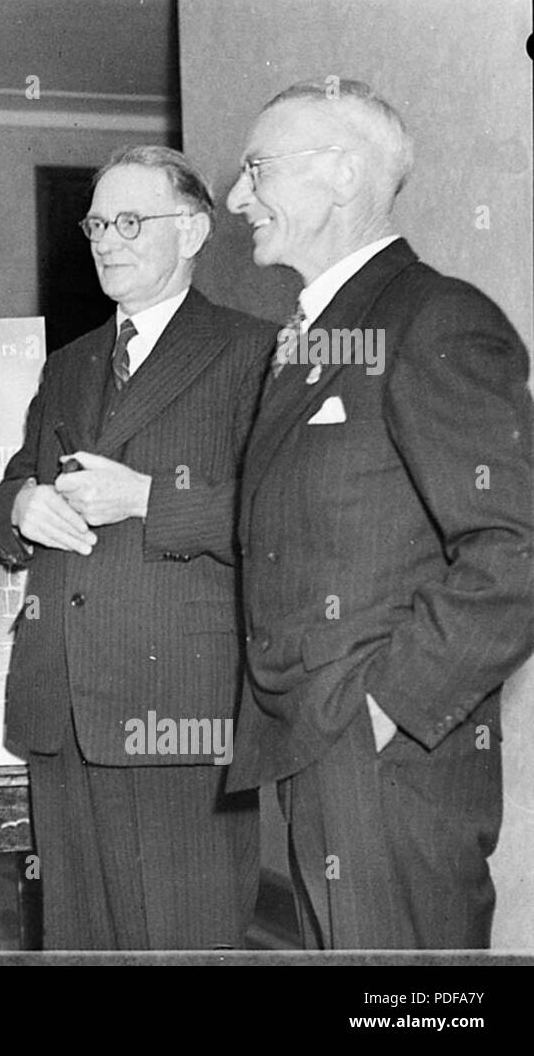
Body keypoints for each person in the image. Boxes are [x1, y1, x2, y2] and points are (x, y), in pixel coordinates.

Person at [225, 79, 534, 948]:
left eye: (257, 169)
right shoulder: (311, 337)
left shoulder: (435, 317)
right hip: (312, 752)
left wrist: (386, 709)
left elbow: (516, 547)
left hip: (386, 764)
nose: (235, 196)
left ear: (341, 176)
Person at [0, 145, 276, 949]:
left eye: (129, 221)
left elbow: (284, 523)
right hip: (63, 707)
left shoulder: (257, 352)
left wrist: (147, 499)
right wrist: (22, 504)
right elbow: (10, 488)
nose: (105, 239)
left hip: (180, 715)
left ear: (191, 231)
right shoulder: (70, 364)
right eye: (96, 223)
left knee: (182, 939)